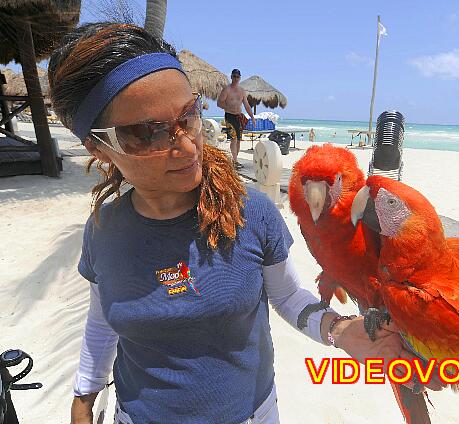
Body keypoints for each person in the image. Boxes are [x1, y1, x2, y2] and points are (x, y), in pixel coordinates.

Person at [49, 23, 437, 424]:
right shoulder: (103, 230)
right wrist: (84, 397)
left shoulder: (251, 212)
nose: (185, 146)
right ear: (98, 147)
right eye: (148, 133)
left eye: (190, 115)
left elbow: (288, 297)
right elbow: (102, 323)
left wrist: (342, 330)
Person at [217, 68, 255, 169]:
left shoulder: (242, 91)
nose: (236, 78)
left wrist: (252, 117)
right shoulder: (227, 89)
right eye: (234, 76)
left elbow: (246, 105)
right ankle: (235, 160)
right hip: (229, 116)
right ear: (231, 77)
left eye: (237, 77)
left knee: (238, 140)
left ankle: (235, 160)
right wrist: (227, 107)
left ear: (239, 78)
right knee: (233, 139)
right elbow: (219, 103)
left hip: (239, 116)